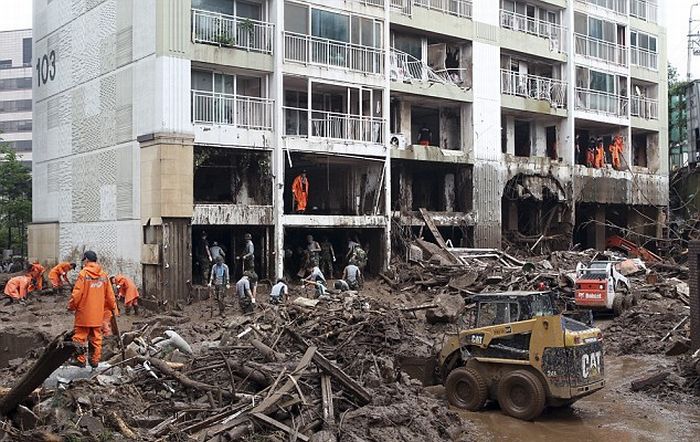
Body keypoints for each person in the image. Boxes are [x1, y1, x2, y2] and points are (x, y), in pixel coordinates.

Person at [68, 251, 117, 368]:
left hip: (84, 313)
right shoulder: (104, 275)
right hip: (97, 314)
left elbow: (77, 294)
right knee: (96, 337)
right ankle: (94, 360)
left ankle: (80, 359)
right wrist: (113, 308)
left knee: (80, 336)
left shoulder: (83, 274)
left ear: (86, 260)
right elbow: (110, 295)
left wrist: (71, 306)